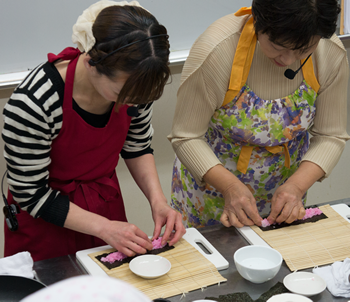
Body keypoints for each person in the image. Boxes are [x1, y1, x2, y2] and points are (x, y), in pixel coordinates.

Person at [2, 0, 185, 262]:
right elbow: (31, 193)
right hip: (45, 218)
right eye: (122, 94)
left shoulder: (139, 85)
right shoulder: (35, 103)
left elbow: (137, 147)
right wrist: (103, 227)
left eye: (141, 96)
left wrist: (159, 201)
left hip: (104, 206)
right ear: (91, 63)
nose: (133, 103)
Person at [168, 0, 349, 229]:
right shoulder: (218, 49)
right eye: (278, 46)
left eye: (303, 50)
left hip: (284, 197)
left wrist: (296, 187)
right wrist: (230, 188)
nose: (289, 59)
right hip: (211, 194)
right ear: (259, 20)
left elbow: (330, 136)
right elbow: (186, 136)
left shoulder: (328, 52)